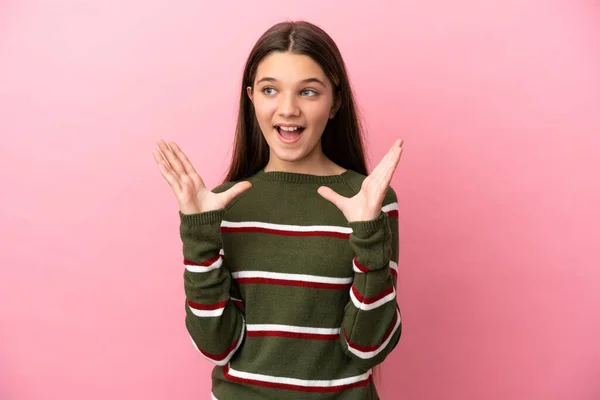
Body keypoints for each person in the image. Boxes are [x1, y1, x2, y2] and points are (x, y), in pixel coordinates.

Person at [153, 20, 403, 400]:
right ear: (251, 97)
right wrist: (199, 235)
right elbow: (216, 347)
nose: (288, 109)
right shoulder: (222, 205)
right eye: (271, 90)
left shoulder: (370, 200)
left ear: (335, 102)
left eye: (308, 92)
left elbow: (369, 347)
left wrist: (369, 237)